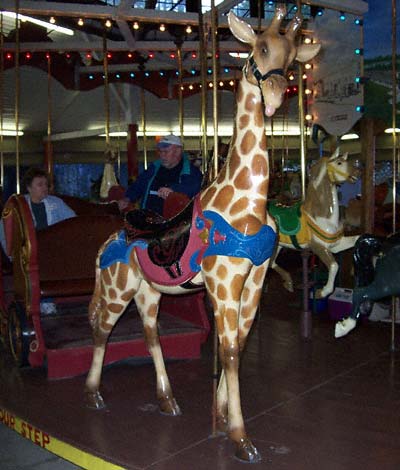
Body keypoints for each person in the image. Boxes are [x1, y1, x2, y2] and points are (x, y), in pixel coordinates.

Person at [118, 135, 203, 216]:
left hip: (177, 222)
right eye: (160, 152)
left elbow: (194, 188)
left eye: (166, 152)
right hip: (149, 217)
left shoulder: (191, 172)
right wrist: (127, 198)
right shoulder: (154, 168)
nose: (162, 155)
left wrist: (173, 190)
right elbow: (139, 184)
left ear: (178, 151)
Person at [0, 167, 76, 255]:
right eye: (40, 185)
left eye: (46, 184)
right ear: (29, 188)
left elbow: (73, 222)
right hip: (28, 255)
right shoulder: (18, 205)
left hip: (54, 251)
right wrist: (13, 256)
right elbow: (3, 231)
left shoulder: (56, 203)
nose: (45, 188)